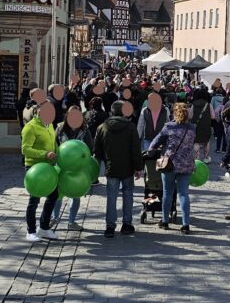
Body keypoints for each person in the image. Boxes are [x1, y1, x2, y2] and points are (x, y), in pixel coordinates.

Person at [94, 101, 142, 238]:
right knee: (128, 195)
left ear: (111, 112)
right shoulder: (131, 127)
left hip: (111, 167)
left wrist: (104, 160)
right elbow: (136, 150)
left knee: (111, 196)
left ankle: (110, 226)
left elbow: (97, 150)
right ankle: (127, 224)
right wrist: (138, 167)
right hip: (128, 168)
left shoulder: (102, 127)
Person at [147, 102, 196, 234]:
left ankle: (165, 220)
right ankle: (186, 224)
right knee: (184, 193)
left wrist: (152, 150)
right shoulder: (192, 128)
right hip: (186, 164)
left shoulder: (168, 127)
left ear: (175, 113)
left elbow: (155, 143)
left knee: (167, 193)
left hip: (169, 164)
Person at [21, 89, 59, 241]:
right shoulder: (30, 127)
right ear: (39, 112)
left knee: (53, 195)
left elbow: (53, 142)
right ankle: (30, 231)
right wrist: (44, 154)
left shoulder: (49, 125)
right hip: (34, 168)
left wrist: (57, 153)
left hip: (49, 167)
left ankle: (44, 227)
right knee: (34, 199)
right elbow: (25, 149)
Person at [53, 106, 93, 231]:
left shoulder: (85, 130)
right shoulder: (60, 128)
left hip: (78, 169)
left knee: (75, 194)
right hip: (61, 167)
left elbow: (90, 148)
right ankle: (55, 218)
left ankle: (72, 221)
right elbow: (54, 144)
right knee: (58, 195)